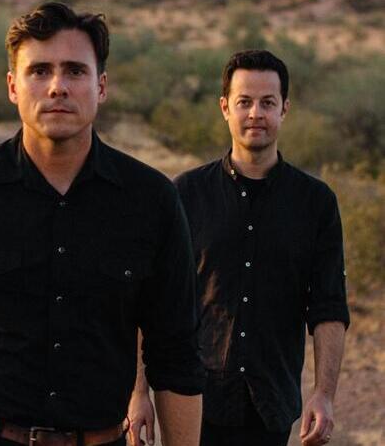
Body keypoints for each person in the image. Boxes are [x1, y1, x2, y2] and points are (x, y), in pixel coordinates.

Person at [0, 1, 204, 446]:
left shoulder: (152, 201)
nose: (58, 87)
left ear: (101, 86)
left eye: (75, 71)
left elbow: (176, 355)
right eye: (39, 71)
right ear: (13, 86)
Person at [133, 50, 348, 446]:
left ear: (284, 109)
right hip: (191, 398)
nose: (255, 114)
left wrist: (324, 394)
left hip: (272, 402)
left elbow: (329, 308)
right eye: (244, 102)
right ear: (224, 108)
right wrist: (138, 393)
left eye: (267, 103)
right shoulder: (185, 194)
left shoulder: (315, 203)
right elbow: (153, 301)